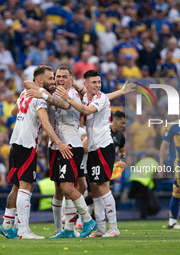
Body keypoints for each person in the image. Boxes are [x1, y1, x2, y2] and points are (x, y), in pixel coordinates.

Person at [0, 65, 72, 240]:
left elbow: (13, 111)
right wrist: (59, 143)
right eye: (50, 79)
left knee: (16, 186)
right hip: (27, 144)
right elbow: (46, 124)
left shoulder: (24, 94)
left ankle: (7, 225)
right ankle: (23, 231)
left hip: (15, 142)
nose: (53, 82)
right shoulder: (39, 99)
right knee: (27, 186)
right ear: (39, 81)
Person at [24, 66, 96, 238]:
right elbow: (27, 82)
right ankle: (63, 230)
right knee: (58, 189)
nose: (60, 79)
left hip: (70, 146)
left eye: (64, 77)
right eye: (58, 76)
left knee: (67, 187)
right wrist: (42, 88)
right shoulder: (53, 91)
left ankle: (87, 219)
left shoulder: (70, 94)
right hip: (55, 147)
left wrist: (42, 94)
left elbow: (63, 105)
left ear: (71, 80)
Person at [56, 70, 119, 237]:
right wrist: (71, 82)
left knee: (104, 187)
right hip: (92, 148)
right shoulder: (85, 96)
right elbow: (79, 88)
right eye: (94, 82)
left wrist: (68, 98)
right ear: (86, 84)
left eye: (99, 82)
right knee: (95, 189)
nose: (97, 85)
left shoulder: (100, 98)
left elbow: (87, 110)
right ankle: (101, 228)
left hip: (104, 146)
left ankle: (113, 228)